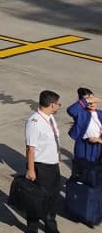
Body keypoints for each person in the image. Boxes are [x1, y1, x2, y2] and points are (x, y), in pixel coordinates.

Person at [25, 90, 63, 233]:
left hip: (52, 165)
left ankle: (50, 225)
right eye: (58, 104)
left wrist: (57, 159)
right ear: (52, 104)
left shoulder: (50, 118)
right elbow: (30, 148)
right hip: (40, 166)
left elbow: (54, 141)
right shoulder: (34, 122)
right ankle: (32, 227)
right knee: (37, 198)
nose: (59, 107)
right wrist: (31, 169)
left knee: (53, 197)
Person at [67, 87, 102, 175]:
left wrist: (99, 140)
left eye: (93, 99)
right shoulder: (81, 113)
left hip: (98, 146)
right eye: (88, 101)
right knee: (81, 171)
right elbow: (71, 110)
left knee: (96, 172)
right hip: (83, 145)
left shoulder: (100, 113)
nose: (91, 103)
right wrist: (86, 100)